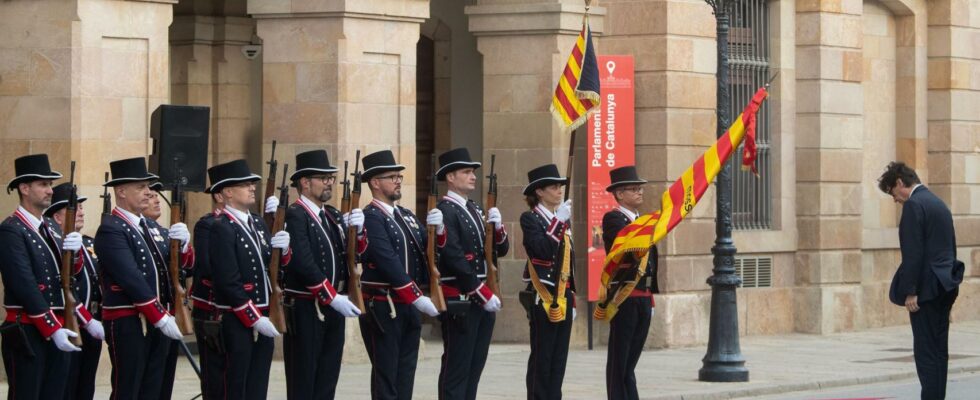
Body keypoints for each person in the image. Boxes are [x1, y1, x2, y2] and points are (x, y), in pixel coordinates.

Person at [94, 157, 191, 400]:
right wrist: (159, 315)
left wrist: (185, 246)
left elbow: (182, 268)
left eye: (148, 187)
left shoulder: (150, 227)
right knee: (130, 388)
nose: (148, 193)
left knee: (157, 389)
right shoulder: (111, 228)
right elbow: (131, 278)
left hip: (159, 319)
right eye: (140, 187)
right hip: (130, 321)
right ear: (121, 191)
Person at [202, 159, 292, 400]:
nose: (253, 187)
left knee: (257, 386)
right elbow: (227, 280)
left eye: (252, 184)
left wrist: (284, 252)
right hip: (237, 319)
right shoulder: (222, 228)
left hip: (263, 314)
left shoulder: (259, 224)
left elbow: (271, 269)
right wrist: (253, 318)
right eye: (245, 185)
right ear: (227, 192)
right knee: (236, 386)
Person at [0, 154, 86, 399]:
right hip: (28, 328)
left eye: (50, 184)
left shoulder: (51, 227)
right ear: (24, 188)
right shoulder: (11, 229)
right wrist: (51, 328)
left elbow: (71, 277)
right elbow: (23, 283)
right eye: (43, 185)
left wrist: (76, 253)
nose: (50, 191)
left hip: (58, 324)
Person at [283, 149, 365, 399]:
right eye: (323, 178)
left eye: (330, 178)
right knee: (305, 378)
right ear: (305, 183)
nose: (329, 182)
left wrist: (359, 233)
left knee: (328, 377)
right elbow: (303, 262)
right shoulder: (296, 215)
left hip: (332, 306)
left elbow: (351, 255)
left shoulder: (331, 215)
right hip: (308, 307)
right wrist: (331, 295)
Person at [359, 150, 440, 400]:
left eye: (399, 176)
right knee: (387, 376)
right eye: (391, 176)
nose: (397, 181)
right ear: (375, 182)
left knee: (405, 374)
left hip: (408, 307)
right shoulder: (370, 217)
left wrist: (440, 232)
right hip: (385, 306)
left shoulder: (404, 216)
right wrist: (416, 296)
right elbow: (387, 260)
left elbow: (427, 251)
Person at [879, 161, 962, 400]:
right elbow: (949, 247)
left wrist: (911, 291)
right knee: (939, 350)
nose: (895, 199)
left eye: (893, 193)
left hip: (926, 290)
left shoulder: (915, 205)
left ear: (899, 183)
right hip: (945, 285)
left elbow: (913, 253)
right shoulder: (938, 203)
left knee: (926, 351)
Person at [433, 148, 509, 400]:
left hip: (481, 299)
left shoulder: (475, 208)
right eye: (466, 171)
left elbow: (500, 250)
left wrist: (498, 229)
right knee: (457, 367)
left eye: (473, 171)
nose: (473, 176)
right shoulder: (446, 210)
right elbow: (453, 257)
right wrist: (481, 293)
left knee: (474, 367)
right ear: (451, 177)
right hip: (462, 299)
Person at [600, 166, 658, 400]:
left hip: (643, 296)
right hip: (624, 298)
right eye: (633, 189)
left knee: (631, 361)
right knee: (619, 361)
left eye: (640, 188)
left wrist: (651, 296)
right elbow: (626, 246)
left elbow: (651, 262)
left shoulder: (642, 220)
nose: (639, 193)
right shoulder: (613, 219)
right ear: (619, 194)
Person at [519, 164, 576, 400]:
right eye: (554, 186)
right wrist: (559, 222)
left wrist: (572, 298)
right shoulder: (531, 219)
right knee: (542, 360)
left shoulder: (560, 220)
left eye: (560, 186)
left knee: (559, 360)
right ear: (539, 192)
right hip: (543, 296)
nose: (559, 190)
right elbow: (541, 250)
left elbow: (568, 262)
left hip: (563, 296)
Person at [45, 183, 106, 400]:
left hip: (93, 325)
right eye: (74, 208)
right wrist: (88, 320)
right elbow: (68, 288)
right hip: (72, 325)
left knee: (86, 387)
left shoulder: (88, 244)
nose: (80, 212)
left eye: (81, 207)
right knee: (68, 388)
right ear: (58, 218)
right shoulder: (56, 247)